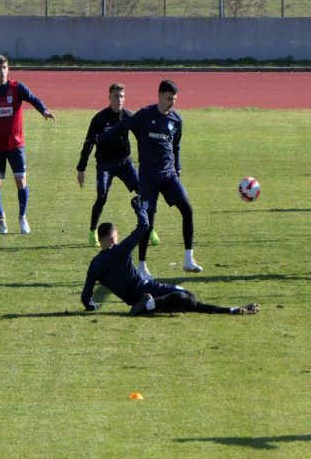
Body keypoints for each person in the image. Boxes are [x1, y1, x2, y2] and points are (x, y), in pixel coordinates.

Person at [81, 197, 258, 316]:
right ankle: (148, 305)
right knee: (188, 297)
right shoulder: (120, 251)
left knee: (185, 303)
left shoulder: (94, 265)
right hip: (148, 289)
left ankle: (233, 310)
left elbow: (85, 297)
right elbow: (144, 226)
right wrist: (139, 208)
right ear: (113, 237)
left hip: (134, 299)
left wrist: (92, 306)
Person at [96, 79, 201, 278]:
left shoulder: (176, 120)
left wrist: (177, 166)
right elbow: (123, 126)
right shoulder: (145, 115)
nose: (172, 103)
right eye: (170, 98)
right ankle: (142, 267)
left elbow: (175, 146)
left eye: (175, 99)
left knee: (187, 210)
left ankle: (189, 259)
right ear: (160, 95)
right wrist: (102, 137)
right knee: (148, 222)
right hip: (148, 177)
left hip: (168, 175)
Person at [0, 55, 55, 235]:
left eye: (4, 68)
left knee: (21, 181)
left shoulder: (17, 88)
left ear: (8, 69)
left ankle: (22, 217)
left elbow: (33, 98)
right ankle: (1, 218)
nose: (2, 71)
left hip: (16, 145)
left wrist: (44, 110)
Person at [76, 82, 159, 248]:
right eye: (116, 96)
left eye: (122, 96)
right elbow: (89, 144)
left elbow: (141, 138)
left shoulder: (129, 116)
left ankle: (149, 229)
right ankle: (93, 231)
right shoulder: (99, 119)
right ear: (109, 97)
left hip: (125, 163)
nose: (119, 99)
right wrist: (81, 169)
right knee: (101, 196)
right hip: (105, 164)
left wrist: (147, 158)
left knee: (144, 192)